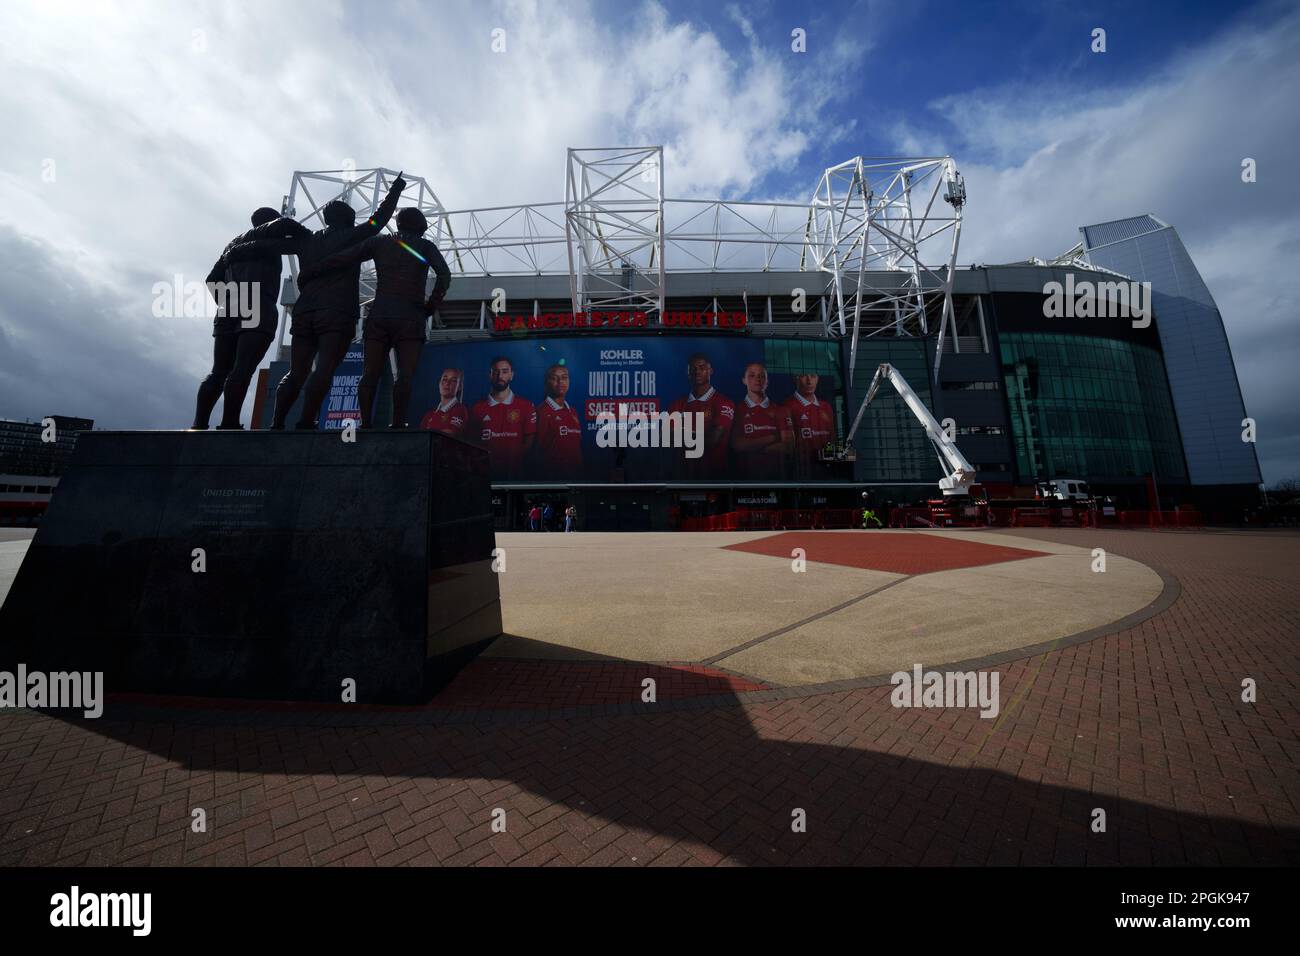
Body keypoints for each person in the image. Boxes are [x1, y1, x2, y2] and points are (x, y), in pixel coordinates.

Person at [225, 174, 406, 429]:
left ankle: (277, 424)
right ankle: (305, 421)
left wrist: (235, 250)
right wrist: (396, 190)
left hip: (304, 312)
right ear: (347, 219)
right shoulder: (350, 236)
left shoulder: (305, 240)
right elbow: (378, 220)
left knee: (296, 371)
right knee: (324, 369)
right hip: (337, 312)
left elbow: (267, 245)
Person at [298, 206, 451, 428]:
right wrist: (430, 305)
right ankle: (398, 424)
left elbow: (342, 258)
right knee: (405, 376)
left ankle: (365, 424)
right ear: (421, 226)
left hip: (379, 315)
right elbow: (444, 275)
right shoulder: (425, 246)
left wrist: (312, 271)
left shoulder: (379, 242)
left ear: (399, 224)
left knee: (369, 374)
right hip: (410, 315)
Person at [192, 207, 305, 430]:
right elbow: (286, 225)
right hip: (258, 302)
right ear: (269, 222)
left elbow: (211, 279)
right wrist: (309, 236)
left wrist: (226, 301)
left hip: (229, 306)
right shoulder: (264, 233)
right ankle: (229, 423)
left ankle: (199, 423)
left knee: (218, 370)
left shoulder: (231, 245)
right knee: (242, 368)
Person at [667, 353, 735, 477]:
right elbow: (667, 438)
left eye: (702, 367)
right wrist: (699, 434)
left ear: (710, 371)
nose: (697, 371)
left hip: (715, 477)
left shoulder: (724, 402)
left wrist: (680, 434)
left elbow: (713, 440)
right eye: (693, 368)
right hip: (682, 477)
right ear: (688, 373)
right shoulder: (676, 405)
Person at [470, 357, 536, 479]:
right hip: (485, 477)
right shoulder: (476, 408)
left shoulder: (526, 406)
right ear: (490, 375)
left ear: (512, 375)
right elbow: (472, 443)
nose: (500, 375)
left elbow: (529, 444)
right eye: (495, 371)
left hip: (516, 478)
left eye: (505, 371)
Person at [731, 361, 794, 480]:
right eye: (752, 375)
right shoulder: (736, 410)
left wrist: (751, 447)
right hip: (745, 482)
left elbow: (788, 446)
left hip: (777, 481)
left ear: (767, 381)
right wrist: (773, 438)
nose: (758, 379)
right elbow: (738, 445)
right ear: (743, 380)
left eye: (762, 376)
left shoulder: (782, 410)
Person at [535, 364, 582, 478]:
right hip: (553, 481)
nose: (560, 381)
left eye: (564, 377)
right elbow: (536, 453)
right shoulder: (541, 412)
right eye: (554, 378)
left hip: (575, 480)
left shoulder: (573, 412)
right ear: (546, 383)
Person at [785, 372, 835, 476]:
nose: (809, 381)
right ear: (795, 378)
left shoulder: (826, 407)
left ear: (817, 378)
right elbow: (786, 447)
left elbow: (832, 440)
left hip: (827, 474)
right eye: (804, 375)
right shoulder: (787, 407)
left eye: (813, 376)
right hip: (801, 475)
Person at [418, 367, 468, 437]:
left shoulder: (460, 410)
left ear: (459, 386)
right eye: (444, 379)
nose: (447, 383)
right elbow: (420, 437)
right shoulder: (429, 414)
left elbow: (450, 434)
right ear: (439, 383)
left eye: (453, 380)